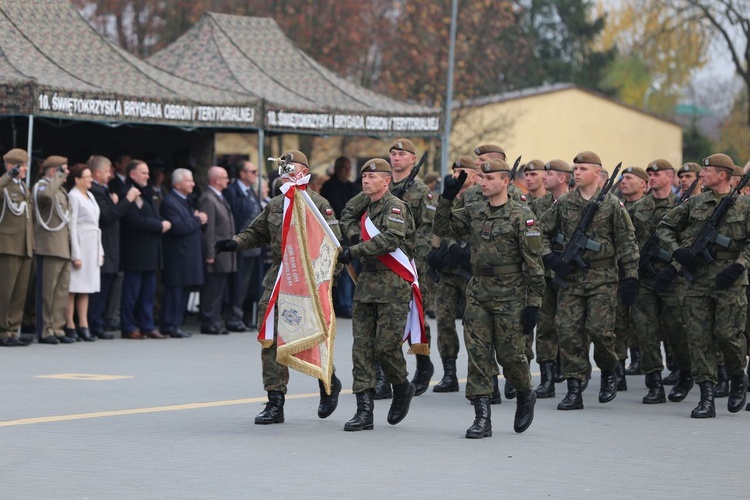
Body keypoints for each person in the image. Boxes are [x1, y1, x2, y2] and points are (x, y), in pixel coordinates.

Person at [214, 150, 343, 425]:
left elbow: (333, 245)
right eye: (282, 166)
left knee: (313, 335)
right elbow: (256, 232)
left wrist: (329, 281)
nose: (285, 169)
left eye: (290, 165)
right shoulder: (275, 205)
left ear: (304, 169)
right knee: (271, 340)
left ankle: (328, 382)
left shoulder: (318, 204)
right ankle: (275, 402)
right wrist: (234, 243)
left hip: (308, 283)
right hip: (279, 280)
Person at [434, 158, 543, 438]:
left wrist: (534, 304)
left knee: (511, 356)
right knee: (478, 354)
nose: (483, 182)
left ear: (505, 182)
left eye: (489, 178)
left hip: (511, 295)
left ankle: (524, 393)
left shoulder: (521, 215)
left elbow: (534, 264)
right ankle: (482, 416)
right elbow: (443, 227)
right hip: (479, 291)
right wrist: (447, 197)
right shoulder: (475, 211)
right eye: (481, 178)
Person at [538, 151, 640, 410]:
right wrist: (550, 258)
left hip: (602, 278)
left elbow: (627, 242)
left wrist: (630, 277)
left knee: (600, 331)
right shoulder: (565, 203)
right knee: (569, 332)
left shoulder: (612, 205)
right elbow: (537, 233)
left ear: (597, 173)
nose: (577, 172)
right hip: (571, 279)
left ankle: (609, 370)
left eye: (583, 168)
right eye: (575, 168)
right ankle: (574, 388)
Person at [655, 153, 749, 418]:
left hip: (730, 280)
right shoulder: (695, 203)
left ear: (722, 175)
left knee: (727, 336)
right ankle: (706, 396)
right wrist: (678, 252)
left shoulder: (745, 206)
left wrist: (740, 265)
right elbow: (664, 228)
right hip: (697, 280)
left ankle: (736, 376)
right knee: (699, 339)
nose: (701, 175)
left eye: (706, 171)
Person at [338, 157, 418, 431]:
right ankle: (364, 410)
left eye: (373, 177)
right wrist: (352, 243)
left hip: (392, 287)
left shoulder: (395, 207)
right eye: (364, 177)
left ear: (387, 181)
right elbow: (349, 221)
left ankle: (401, 385)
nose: (366, 180)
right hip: (366, 285)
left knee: (385, 347)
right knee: (361, 348)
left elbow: (390, 240)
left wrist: (355, 250)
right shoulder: (366, 210)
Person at [629, 159, 694, 404]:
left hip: (672, 279)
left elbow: (690, 243)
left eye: (657, 174)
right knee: (646, 332)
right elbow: (628, 239)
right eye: (650, 174)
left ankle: (685, 373)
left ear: (670, 177)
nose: (652, 177)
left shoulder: (682, 206)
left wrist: (674, 268)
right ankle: (654, 383)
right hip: (644, 278)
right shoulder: (638, 207)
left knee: (677, 330)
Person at [428, 156, 478, 394]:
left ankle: (477, 372)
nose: (458, 175)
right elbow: (438, 226)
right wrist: (437, 252)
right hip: (448, 271)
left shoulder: (479, 197)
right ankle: (449, 373)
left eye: (463, 171)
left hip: (470, 270)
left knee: (474, 324)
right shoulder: (448, 196)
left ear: (475, 175)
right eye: (455, 170)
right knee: (444, 321)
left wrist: (463, 250)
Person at [531, 159, 572, 398]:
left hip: (572, 275)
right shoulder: (539, 204)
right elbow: (533, 236)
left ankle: (573, 372)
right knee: (545, 326)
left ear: (563, 178)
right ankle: (547, 378)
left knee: (569, 326)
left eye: (550, 174)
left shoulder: (580, 203)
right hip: (545, 272)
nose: (544, 177)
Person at [87, 155, 139, 340]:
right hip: (103, 245)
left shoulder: (103, 190)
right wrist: (128, 200)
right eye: (108, 171)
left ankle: (99, 322)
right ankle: (95, 323)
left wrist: (116, 202)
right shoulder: (94, 190)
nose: (110, 175)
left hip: (110, 246)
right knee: (99, 289)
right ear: (98, 172)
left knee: (106, 286)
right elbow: (108, 216)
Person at [119, 160, 171, 339]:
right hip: (135, 252)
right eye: (144, 173)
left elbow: (151, 214)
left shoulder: (145, 192)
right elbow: (133, 219)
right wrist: (159, 226)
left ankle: (147, 325)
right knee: (131, 292)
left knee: (148, 292)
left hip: (150, 252)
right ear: (132, 174)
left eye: (148, 173)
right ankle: (128, 326)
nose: (148, 176)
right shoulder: (128, 192)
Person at [34, 156, 78, 344]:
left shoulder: (59, 190)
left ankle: (57, 328)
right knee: (47, 291)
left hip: (62, 246)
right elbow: (44, 198)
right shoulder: (43, 186)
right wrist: (56, 178)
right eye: (63, 170)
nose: (67, 173)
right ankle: (45, 330)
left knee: (61, 291)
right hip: (49, 246)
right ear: (53, 171)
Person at [613, 166, 648, 390]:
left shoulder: (650, 207)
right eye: (622, 178)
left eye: (629, 178)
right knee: (617, 324)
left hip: (647, 273)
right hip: (616, 273)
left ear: (643, 184)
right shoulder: (615, 206)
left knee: (643, 325)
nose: (623, 182)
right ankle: (618, 372)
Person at [159, 168, 206, 338]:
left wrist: (198, 220)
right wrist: (196, 219)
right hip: (178, 256)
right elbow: (178, 227)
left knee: (184, 291)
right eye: (188, 181)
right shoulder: (170, 202)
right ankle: (169, 324)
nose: (193, 184)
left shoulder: (186, 201)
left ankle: (176, 323)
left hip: (188, 255)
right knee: (175, 292)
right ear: (177, 184)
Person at [64, 164, 104, 342]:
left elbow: (96, 225)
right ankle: (70, 325)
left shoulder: (91, 196)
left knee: (86, 288)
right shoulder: (73, 196)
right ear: (77, 179)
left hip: (92, 244)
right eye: (87, 177)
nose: (90, 180)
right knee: (73, 288)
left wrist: (100, 250)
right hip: (80, 243)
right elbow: (71, 226)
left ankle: (83, 323)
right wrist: (75, 254)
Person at [223, 160, 262, 332]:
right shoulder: (233, 192)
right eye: (252, 171)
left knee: (248, 284)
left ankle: (244, 316)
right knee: (238, 283)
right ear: (242, 173)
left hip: (253, 246)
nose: (255, 174)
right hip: (240, 244)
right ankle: (234, 317)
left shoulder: (250, 192)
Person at [320, 156, 361, 319]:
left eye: (348, 168)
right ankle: (344, 305)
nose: (347, 171)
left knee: (355, 269)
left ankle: (351, 302)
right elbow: (338, 208)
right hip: (338, 234)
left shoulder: (352, 187)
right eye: (344, 168)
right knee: (344, 271)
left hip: (354, 234)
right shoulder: (330, 186)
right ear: (337, 169)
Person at [0, 148, 33, 347]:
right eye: (23, 166)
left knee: (19, 292)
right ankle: (2, 329)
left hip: (24, 245)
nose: (26, 169)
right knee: (5, 290)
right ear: (12, 166)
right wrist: (7, 177)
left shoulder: (22, 187)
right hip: (8, 245)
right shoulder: (5, 185)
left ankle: (12, 329)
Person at [197, 166, 236, 335]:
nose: (228, 180)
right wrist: (210, 253)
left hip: (224, 252)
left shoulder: (218, 197)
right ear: (216, 180)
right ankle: (208, 321)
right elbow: (209, 229)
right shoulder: (208, 198)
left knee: (219, 289)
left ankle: (214, 319)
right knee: (211, 289)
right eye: (225, 177)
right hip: (216, 252)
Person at [105, 152, 132, 332]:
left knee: (118, 278)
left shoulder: (127, 185)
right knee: (108, 280)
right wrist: (127, 200)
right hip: (108, 241)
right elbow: (110, 215)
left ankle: (112, 315)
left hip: (120, 240)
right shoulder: (115, 187)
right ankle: (106, 318)